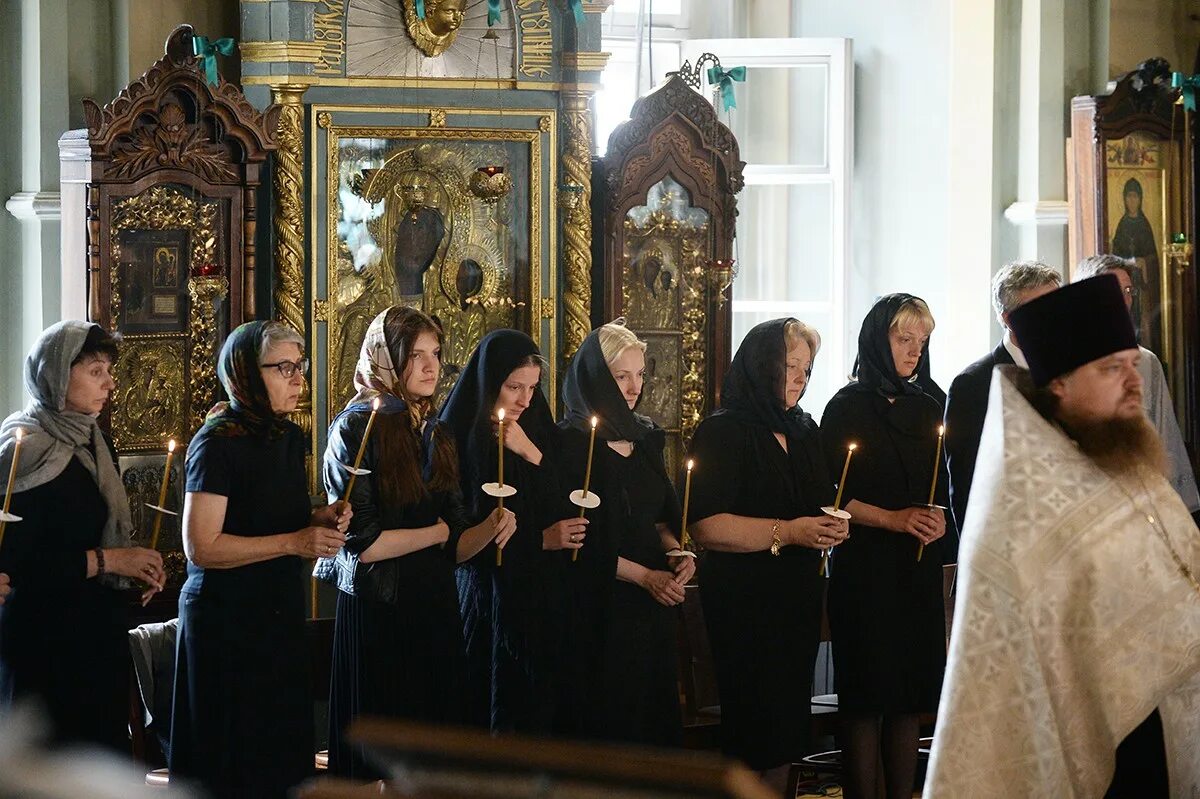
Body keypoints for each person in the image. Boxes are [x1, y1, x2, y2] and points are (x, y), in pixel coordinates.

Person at [925, 274, 1200, 798]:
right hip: (1084, 744)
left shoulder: (1131, 465)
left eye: (1131, 366)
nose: (1134, 383)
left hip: (1160, 722)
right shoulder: (1025, 507)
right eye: (1111, 369)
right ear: (1062, 385)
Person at [317, 307, 514, 779]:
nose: (431, 367)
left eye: (436, 354)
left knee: (433, 759)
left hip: (434, 605)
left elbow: (457, 544)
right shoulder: (354, 428)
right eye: (416, 355)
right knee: (379, 759)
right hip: (380, 609)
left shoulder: (436, 430)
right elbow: (361, 546)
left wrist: (491, 527)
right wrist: (437, 533)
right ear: (387, 359)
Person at [170, 320, 351, 799]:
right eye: (283, 368)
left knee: (280, 760)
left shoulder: (285, 438)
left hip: (276, 614)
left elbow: (271, 515)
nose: (298, 379)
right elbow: (202, 547)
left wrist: (321, 517)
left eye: (300, 366)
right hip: (226, 623)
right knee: (233, 764)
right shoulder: (217, 442)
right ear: (246, 372)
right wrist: (295, 542)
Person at [688, 318, 847, 792]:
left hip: (795, 598)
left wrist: (831, 524)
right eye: (789, 365)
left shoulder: (803, 429)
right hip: (744, 602)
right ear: (762, 368)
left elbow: (817, 501)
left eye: (806, 367)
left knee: (788, 728)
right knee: (756, 725)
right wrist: (791, 532)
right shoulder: (722, 432)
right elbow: (707, 525)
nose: (800, 377)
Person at [0, 321, 165, 752]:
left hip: (96, 635)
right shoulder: (20, 449)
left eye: (109, 370)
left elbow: (102, 532)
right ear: (56, 373)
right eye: (95, 371)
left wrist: (136, 567)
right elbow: (17, 564)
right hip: (41, 641)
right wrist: (110, 561)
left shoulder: (97, 442)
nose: (110, 383)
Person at [820, 295, 953, 799]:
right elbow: (832, 493)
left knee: (907, 697)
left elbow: (947, 482)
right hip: (866, 569)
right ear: (880, 339)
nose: (915, 350)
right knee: (867, 696)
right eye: (904, 339)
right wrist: (895, 520)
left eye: (922, 341)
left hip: (916, 571)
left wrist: (939, 517)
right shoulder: (846, 405)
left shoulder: (933, 402)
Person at [557, 319, 693, 746]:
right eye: (621, 376)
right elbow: (577, 542)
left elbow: (660, 518)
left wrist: (676, 554)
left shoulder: (647, 438)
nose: (634, 387)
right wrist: (644, 577)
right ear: (597, 377)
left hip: (651, 610)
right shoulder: (570, 445)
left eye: (640, 375)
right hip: (598, 606)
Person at [440, 329, 583, 734]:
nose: (524, 399)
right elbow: (460, 528)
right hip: (487, 591)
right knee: (489, 707)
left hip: (539, 595)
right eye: (513, 387)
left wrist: (528, 451)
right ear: (490, 383)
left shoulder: (538, 430)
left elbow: (568, 501)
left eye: (532, 388)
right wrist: (539, 540)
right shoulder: (458, 437)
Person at [1073, 254, 1200, 514]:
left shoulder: (1146, 362)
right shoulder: (1063, 363)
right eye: (1112, 290)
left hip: (1140, 504)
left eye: (1128, 291)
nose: (1124, 300)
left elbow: (1165, 438)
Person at [944, 261, 1061, 535]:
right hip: (1006, 538)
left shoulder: (1073, 372)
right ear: (1009, 319)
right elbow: (966, 485)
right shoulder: (973, 385)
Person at [1110, 177, 1160, 340]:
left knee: (1143, 317)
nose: (1132, 200)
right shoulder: (1122, 224)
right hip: (1127, 281)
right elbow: (1114, 256)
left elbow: (1153, 256)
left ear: (1140, 199)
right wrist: (1129, 262)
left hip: (1143, 284)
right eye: (1129, 196)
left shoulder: (1145, 225)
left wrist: (1144, 262)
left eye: (1135, 196)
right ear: (1124, 199)